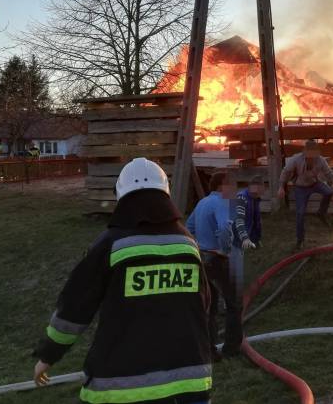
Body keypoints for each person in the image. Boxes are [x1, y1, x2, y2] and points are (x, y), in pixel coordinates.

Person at [32, 158, 212, 404]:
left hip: (121, 386)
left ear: (121, 195)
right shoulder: (188, 244)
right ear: (165, 193)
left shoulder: (109, 244)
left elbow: (74, 309)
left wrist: (48, 355)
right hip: (189, 384)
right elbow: (203, 304)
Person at [187, 171, 242, 360]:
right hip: (218, 260)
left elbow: (189, 227)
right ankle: (231, 349)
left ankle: (210, 351)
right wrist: (224, 250)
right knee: (234, 305)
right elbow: (225, 227)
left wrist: (200, 244)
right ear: (221, 186)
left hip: (202, 259)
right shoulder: (222, 202)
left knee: (209, 307)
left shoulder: (202, 203)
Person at [278, 139, 333, 249]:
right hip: (300, 187)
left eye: (313, 154)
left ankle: (321, 213)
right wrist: (281, 187)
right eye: (309, 154)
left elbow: (330, 176)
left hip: (314, 184)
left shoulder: (320, 160)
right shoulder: (296, 159)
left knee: (329, 192)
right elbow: (285, 172)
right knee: (300, 214)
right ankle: (300, 240)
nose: (311, 158)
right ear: (305, 152)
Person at [231, 175, 264, 297]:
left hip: (243, 238)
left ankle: (237, 295)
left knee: (239, 267)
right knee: (235, 269)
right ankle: (232, 299)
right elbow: (239, 220)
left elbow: (256, 221)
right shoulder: (242, 198)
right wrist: (244, 238)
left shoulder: (255, 199)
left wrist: (257, 239)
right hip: (233, 238)